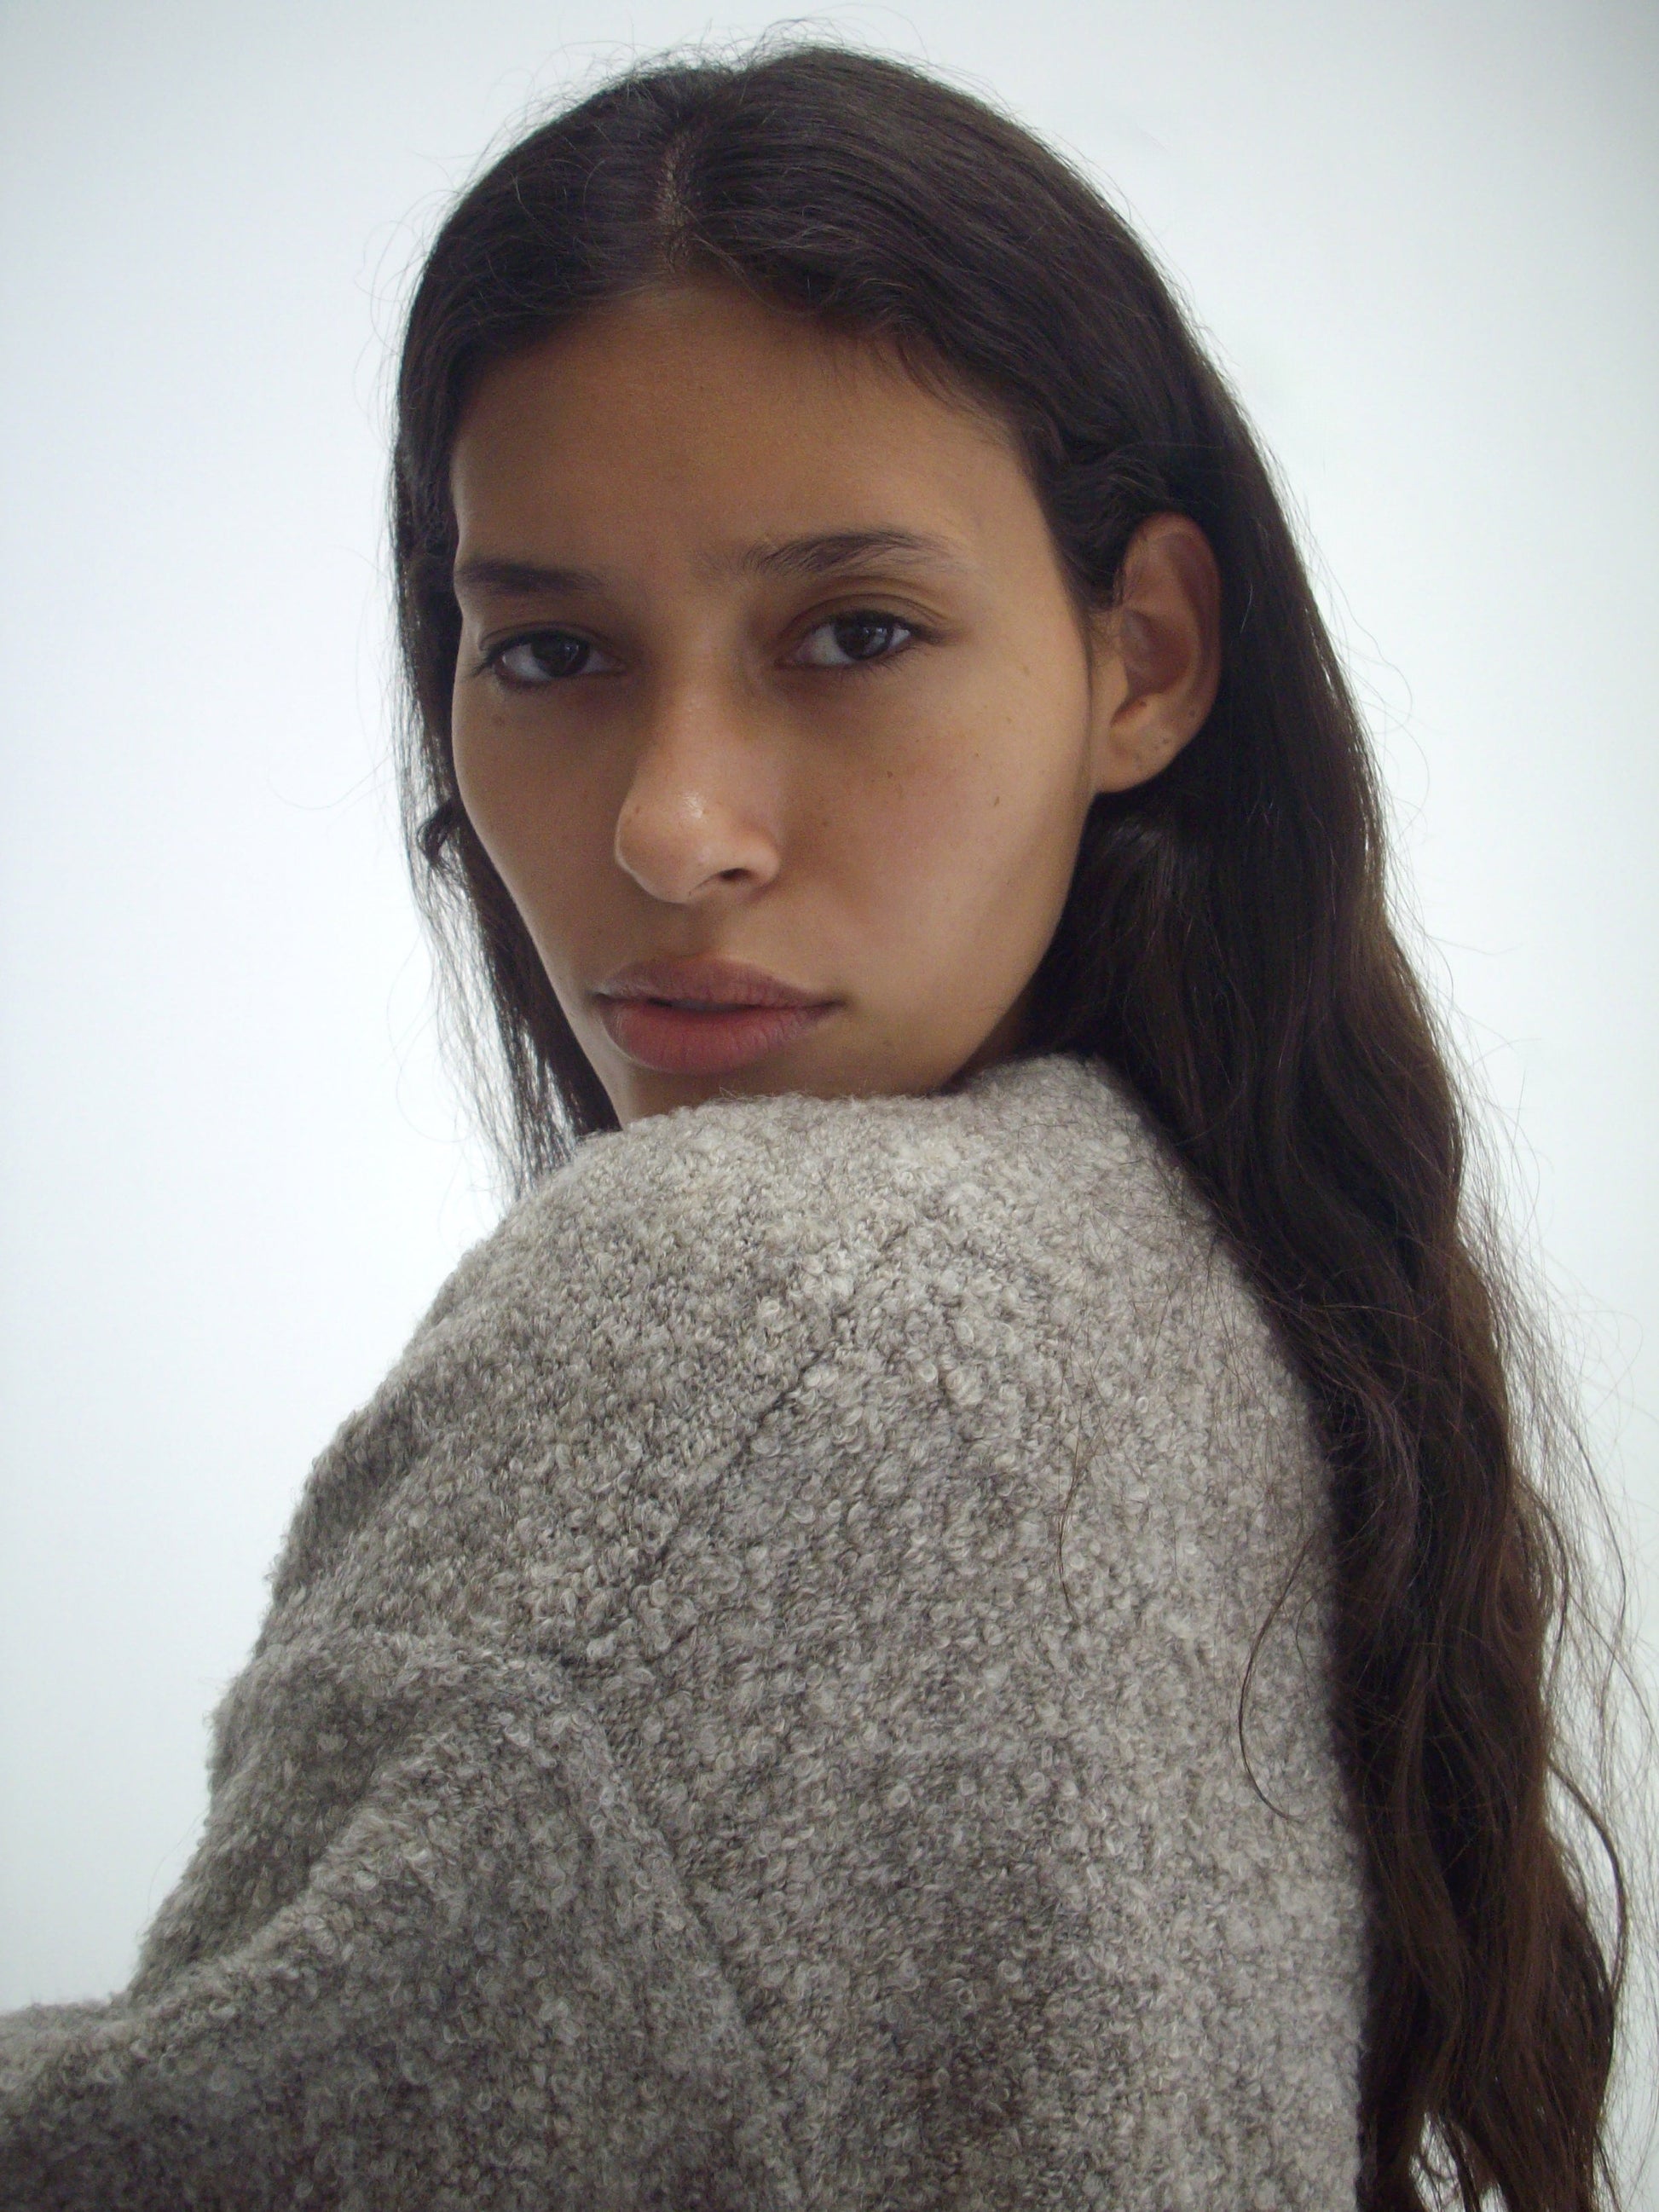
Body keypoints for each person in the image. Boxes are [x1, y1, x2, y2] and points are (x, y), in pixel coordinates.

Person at [0, 41, 1634, 2212]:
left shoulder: (771, 1328)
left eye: (852, 632)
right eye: (550, 651)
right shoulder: (1216, 1277)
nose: (675, 831)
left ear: (1141, 652)